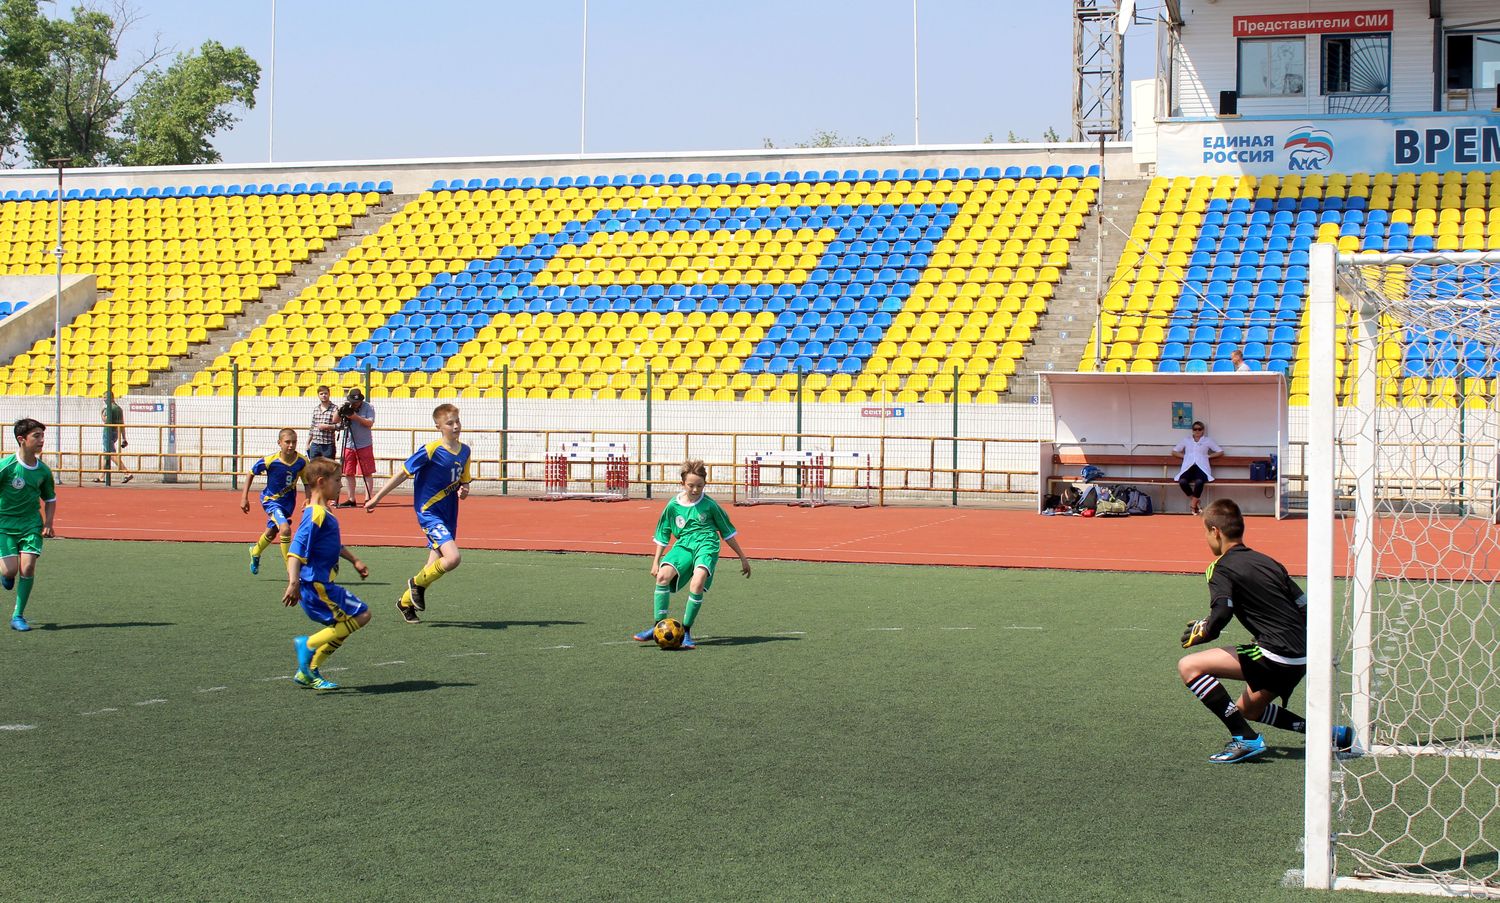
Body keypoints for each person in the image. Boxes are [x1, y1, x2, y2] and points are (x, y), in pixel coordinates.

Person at [1178, 499, 1352, 763]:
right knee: (1248, 709)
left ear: (1215, 531)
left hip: (1276, 655)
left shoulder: (1220, 567)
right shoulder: (1269, 562)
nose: (1206, 538)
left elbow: (1222, 613)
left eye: (1206, 532)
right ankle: (1329, 734)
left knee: (1189, 666)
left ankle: (1245, 739)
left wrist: (1204, 631)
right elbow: (1304, 606)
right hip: (1301, 655)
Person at [365, 402, 471, 624]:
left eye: (457, 421)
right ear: (438, 427)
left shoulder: (465, 451)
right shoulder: (431, 450)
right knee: (453, 558)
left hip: (450, 513)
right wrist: (377, 497)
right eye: (449, 423)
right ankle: (415, 584)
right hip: (429, 512)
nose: (455, 426)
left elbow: (463, 480)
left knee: (432, 566)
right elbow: (403, 473)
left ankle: (405, 602)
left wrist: (464, 489)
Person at [632, 459, 751, 650]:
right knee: (662, 576)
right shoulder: (673, 506)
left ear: (705, 484)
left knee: (698, 582)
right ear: (682, 484)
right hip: (684, 544)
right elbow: (663, 534)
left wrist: (743, 558)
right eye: (691, 485)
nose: (695, 490)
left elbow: (727, 532)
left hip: (707, 544)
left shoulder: (710, 505)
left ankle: (686, 630)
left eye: (699, 486)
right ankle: (657, 627)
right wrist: (656, 562)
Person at [285, 457, 371, 690]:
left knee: (342, 628)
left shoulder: (323, 511)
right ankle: (308, 644)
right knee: (363, 615)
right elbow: (296, 549)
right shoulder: (316, 514)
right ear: (321, 482)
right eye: (337, 480)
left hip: (319, 583)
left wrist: (355, 560)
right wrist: (293, 582)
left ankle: (309, 671)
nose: (341, 485)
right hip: (316, 584)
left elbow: (333, 544)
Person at [1, 418, 56, 632]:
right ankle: (6, 574)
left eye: (43, 436)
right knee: (10, 571)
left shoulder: (43, 471)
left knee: (28, 567)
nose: (42, 440)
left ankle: (18, 616)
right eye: (37, 436)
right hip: (4, 525)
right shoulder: (6, 467)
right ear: (21, 439)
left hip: (31, 525)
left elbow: (50, 499)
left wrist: (48, 523)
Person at [240, 428, 309, 575]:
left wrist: (308, 498)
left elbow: (307, 482)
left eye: (294, 442)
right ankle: (291, 570)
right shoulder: (270, 460)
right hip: (271, 501)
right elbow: (251, 473)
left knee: (272, 532)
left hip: (288, 503)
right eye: (287, 442)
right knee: (285, 529)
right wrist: (244, 497)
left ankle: (255, 551)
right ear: (279, 443)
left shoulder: (302, 461)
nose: (291, 445)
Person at [1171, 420, 1223, 515]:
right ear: (1192, 430)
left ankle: (1193, 505)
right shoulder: (1186, 440)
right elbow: (1174, 451)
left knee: (1199, 482)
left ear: (1203, 430)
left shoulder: (1207, 440)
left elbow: (1220, 451)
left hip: (1202, 467)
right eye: (1195, 429)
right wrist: (1185, 456)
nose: (1197, 431)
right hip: (1188, 467)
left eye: (1199, 429)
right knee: (1182, 481)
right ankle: (1195, 501)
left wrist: (1208, 456)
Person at [338, 388, 376, 507]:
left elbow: (370, 423)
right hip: (349, 443)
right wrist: (340, 410)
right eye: (354, 402)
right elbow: (335, 420)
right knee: (348, 472)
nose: (355, 404)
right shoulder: (347, 406)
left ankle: (368, 498)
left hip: (364, 444)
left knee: (367, 472)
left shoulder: (368, 407)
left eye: (358, 402)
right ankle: (351, 499)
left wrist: (355, 417)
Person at [95, 390, 132, 484]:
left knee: (111, 454)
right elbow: (122, 424)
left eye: (105, 397)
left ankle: (126, 472)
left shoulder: (109, 409)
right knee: (106, 454)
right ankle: (101, 476)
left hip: (108, 432)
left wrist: (101, 414)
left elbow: (106, 420)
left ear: (111, 398)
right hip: (115, 432)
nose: (104, 399)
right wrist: (124, 437)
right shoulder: (119, 409)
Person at [307, 386, 341, 460]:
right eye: (321, 394)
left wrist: (328, 427)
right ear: (318, 395)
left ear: (329, 394)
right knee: (313, 466)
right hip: (315, 444)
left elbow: (340, 425)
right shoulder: (316, 409)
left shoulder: (336, 409)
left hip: (328, 444)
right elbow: (312, 427)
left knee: (328, 466)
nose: (324, 395)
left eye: (325, 393)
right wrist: (308, 443)